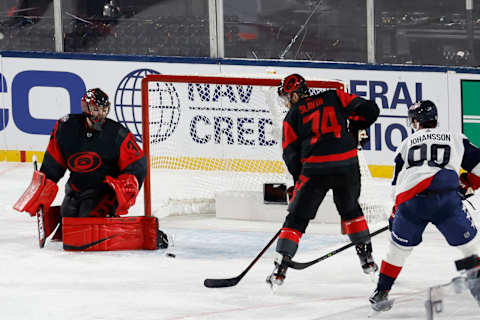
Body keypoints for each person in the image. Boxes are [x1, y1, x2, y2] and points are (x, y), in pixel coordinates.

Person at [14, 88, 168, 250]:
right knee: (69, 216)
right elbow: (54, 163)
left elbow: (138, 164)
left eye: (104, 109)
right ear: (86, 108)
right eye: (96, 109)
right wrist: (42, 190)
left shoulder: (117, 134)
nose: (101, 114)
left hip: (104, 192)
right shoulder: (66, 128)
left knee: (83, 229)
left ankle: (134, 232)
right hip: (76, 189)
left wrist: (124, 187)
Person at [266, 73, 380, 288]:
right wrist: (355, 126)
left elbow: (290, 154)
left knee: (297, 218)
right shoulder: (334, 96)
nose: (286, 101)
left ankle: (280, 268)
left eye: (287, 96)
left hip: (315, 169)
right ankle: (367, 258)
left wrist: (298, 181)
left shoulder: (292, 116)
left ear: (297, 94)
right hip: (347, 164)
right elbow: (370, 110)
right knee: (351, 210)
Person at [369, 100, 480, 311]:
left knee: (398, 250)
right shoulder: (455, 138)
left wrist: (395, 216)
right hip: (446, 201)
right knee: (471, 248)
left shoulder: (406, 143)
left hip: (411, 203)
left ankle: (381, 292)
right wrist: (467, 184)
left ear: (415, 122)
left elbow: (396, 187)